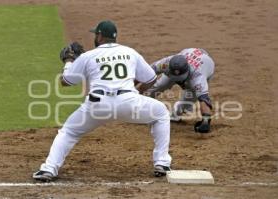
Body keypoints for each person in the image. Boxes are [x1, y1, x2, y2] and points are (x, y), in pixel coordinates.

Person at [32, 20, 172, 182]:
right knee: (161, 112)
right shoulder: (130, 52)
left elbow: (66, 81)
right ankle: (162, 163)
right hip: (129, 101)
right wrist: (135, 92)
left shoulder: (88, 56)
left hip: (97, 104)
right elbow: (151, 78)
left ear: (99, 36)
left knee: (69, 132)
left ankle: (48, 169)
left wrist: (69, 61)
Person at [141, 48, 215, 133]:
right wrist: (131, 89)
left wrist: (206, 121)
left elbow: (204, 100)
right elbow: (146, 73)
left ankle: (177, 112)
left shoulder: (198, 77)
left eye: (180, 78)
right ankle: (141, 104)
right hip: (188, 57)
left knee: (187, 100)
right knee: (160, 85)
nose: (178, 81)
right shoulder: (166, 63)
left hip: (203, 67)